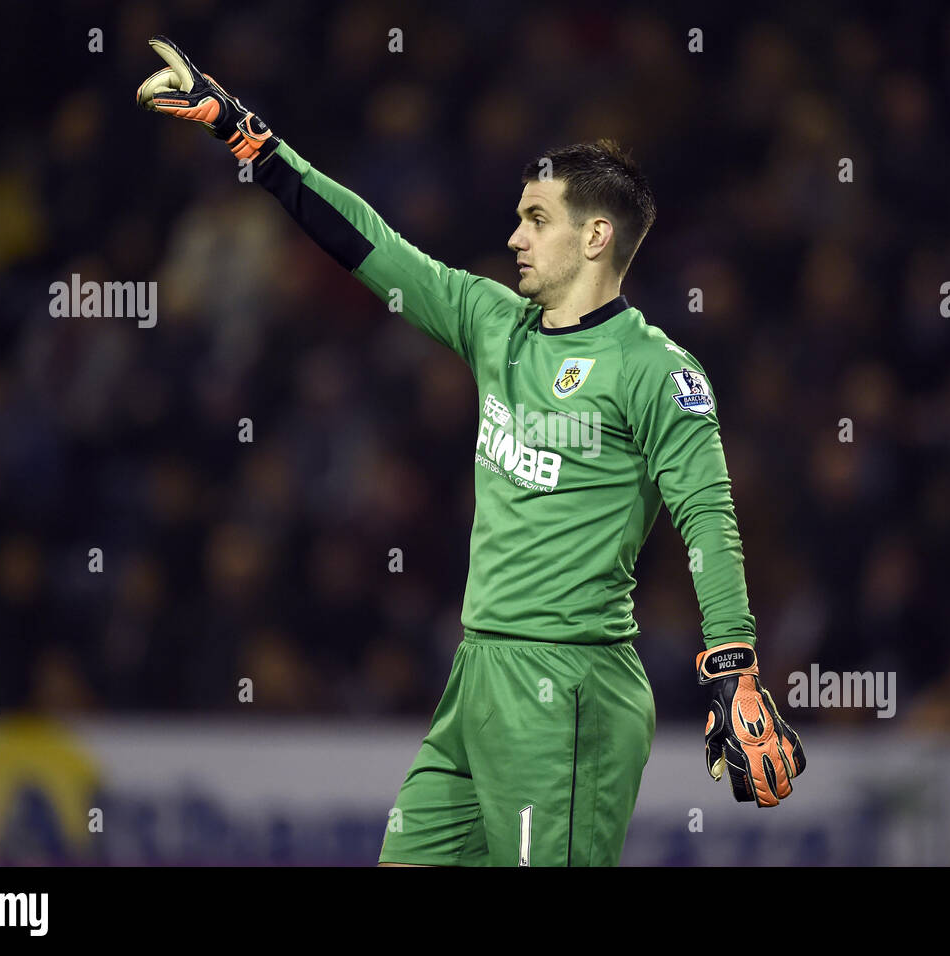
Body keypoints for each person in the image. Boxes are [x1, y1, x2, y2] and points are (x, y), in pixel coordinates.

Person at [136, 35, 805, 867]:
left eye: (536, 218)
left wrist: (733, 663)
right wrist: (252, 141)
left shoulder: (656, 371)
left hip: (569, 687)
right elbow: (372, 244)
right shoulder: (493, 323)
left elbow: (707, 514)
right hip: (479, 674)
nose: (515, 235)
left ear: (596, 237)